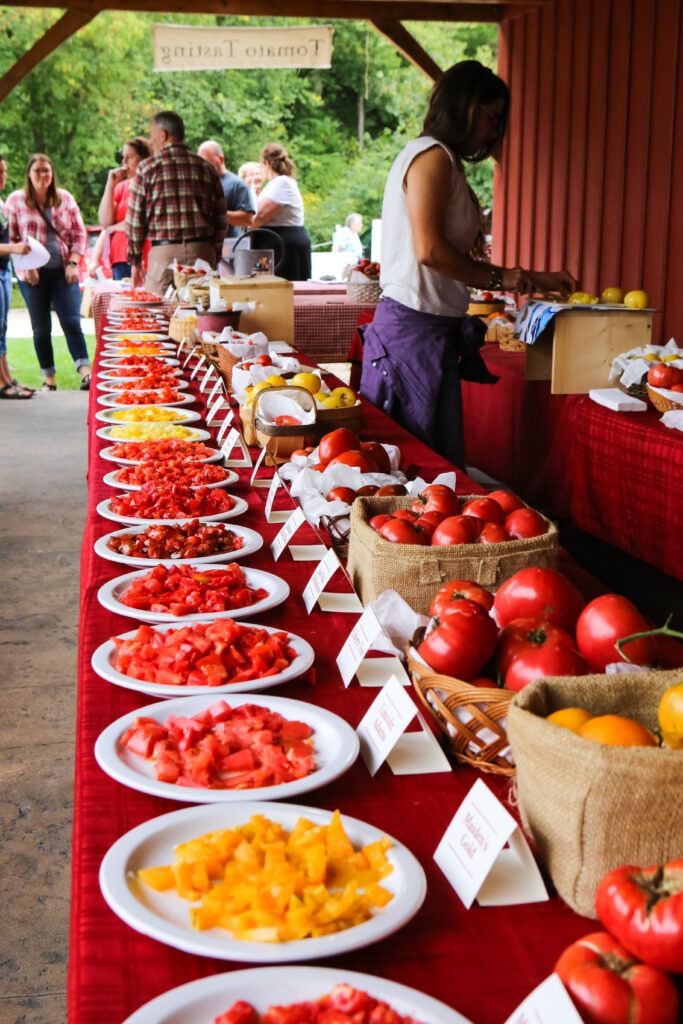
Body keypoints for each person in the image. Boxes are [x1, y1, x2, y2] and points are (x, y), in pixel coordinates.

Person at [359, 60, 576, 467]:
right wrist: (504, 278)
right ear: (465, 107)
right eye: (491, 118)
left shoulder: (445, 160)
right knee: (410, 476)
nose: (494, 132)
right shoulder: (431, 157)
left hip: (428, 334)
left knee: (430, 477)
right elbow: (431, 251)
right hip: (411, 336)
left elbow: (450, 256)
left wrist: (532, 279)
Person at [5, 153, 92, 392]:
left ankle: (86, 373)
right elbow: (11, 239)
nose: (43, 175)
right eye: (37, 171)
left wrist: (73, 263)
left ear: (52, 174)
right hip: (32, 275)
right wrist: (26, 266)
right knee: (41, 328)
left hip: (63, 272)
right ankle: (49, 380)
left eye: (46, 171)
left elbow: (79, 234)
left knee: (72, 321)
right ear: (29, 175)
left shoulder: (64, 198)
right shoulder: (16, 200)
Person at [126, 111, 227, 295]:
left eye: (152, 135)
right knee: (202, 314)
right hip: (202, 252)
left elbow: (135, 221)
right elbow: (221, 218)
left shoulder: (147, 168)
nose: (150, 141)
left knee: (159, 315)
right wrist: (214, 253)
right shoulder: (206, 168)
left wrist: (135, 261)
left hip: (163, 255)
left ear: (163, 135)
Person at [88, 136, 151, 280]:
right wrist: (110, 186)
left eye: (129, 157)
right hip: (119, 259)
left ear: (143, 159)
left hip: (144, 259)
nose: (124, 162)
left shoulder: (150, 185)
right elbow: (105, 223)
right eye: (123, 157)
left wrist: (114, 227)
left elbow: (140, 221)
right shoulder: (121, 187)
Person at [252, 143, 311, 281]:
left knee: (283, 290)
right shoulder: (275, 184)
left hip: (284, 243)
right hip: (274, 241)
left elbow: (260, 216)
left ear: (266, 163)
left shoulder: (282, 183)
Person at [0, 154, 33, 399]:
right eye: (0, 171)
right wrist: (14, 249)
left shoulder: (1, 203)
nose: (4, 176)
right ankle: (2, 383)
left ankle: (7, 378)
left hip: (4, 270)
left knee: (2, 328)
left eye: (5, 170)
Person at [197, 140, 254, 238]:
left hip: (227, 247)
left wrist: (215, 213)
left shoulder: (237, 184)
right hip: (201, 246)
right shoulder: (198, 184)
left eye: (207, 161)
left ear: (221, 159)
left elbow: (248, 219)